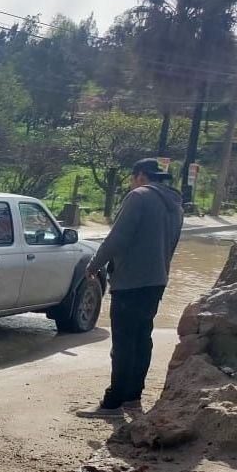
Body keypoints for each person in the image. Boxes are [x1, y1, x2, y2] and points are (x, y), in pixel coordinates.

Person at [76, 158, 184, 418]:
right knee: (141, 339)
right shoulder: (176, 205)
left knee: (123, 343)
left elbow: (117, 238)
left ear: (140, 175)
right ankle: (133, 399)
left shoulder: (139, 196)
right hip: (157, 280)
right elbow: (172, 244)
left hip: (131, 281)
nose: (131, 182)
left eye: (131, 177)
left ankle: (113, 403)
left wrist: (93, 266)